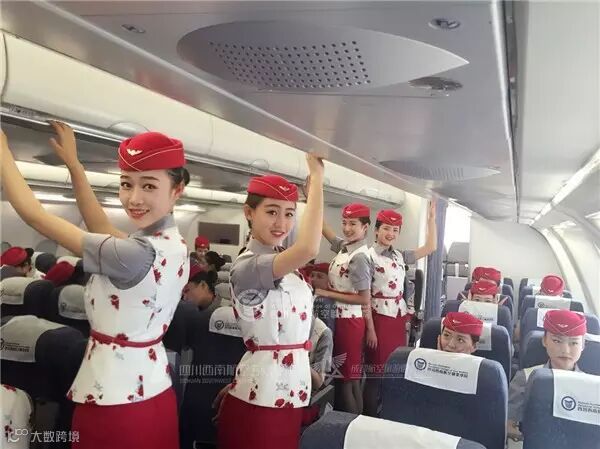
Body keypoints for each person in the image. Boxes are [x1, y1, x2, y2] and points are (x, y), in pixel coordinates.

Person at [1, 122, 189, 449]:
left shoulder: (133, 254)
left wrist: (3, 150)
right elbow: (99, 225)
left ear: (177, 189)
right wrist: (75, 167)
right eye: (126, 184)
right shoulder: (170, 244)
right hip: (153, 390)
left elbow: (35, 216)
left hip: (114, 399)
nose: (134, 198)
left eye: (148, 186)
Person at [216, 156, 324, 449]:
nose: (282, 223)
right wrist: (317, 179)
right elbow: (309, 247)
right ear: (249, 212)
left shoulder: (285, 265)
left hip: (288, 391)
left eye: (289, 214)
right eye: (272, 212)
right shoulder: (247, 267)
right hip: (262, 398)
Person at [363, 204, 437, 415]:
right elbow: (364, 297)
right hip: (378, 318)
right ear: (376, 230)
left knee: (393, 368)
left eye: (395, 230)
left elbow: (430, 247)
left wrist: (431, 219)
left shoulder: (400, 255)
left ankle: (387, 413)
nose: (390, 234)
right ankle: (370, 417)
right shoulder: (366, 257)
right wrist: (370, 330)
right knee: (376, 373)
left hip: (397, 318)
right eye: (386, 228)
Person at [318, 203, 372, 414]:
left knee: (346, 380)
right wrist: (313, 197)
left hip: (349, 322)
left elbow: (363, 298)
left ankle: (349, 426)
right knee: (351, 379)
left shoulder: (358, 257)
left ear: (365, 227)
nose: (347, 228)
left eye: (353, 224)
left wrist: (326, 293)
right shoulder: (345, 247)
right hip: (342, 318)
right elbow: (324, 229)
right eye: (344, 223)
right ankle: (358, 424)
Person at [507, 309, 586, 441]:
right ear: (544, 341)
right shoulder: (526, 378)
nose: (565, 350)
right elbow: (509, 424)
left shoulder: (592, 387)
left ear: (583, 345)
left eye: (574, 343)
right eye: (557, 341)